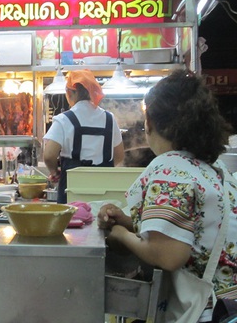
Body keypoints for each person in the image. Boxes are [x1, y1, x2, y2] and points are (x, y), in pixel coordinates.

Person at [97, 69, 237, 322]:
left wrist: (122, 235)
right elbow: (195, 229)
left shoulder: (169, 170)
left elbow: (168, 255)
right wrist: (129, 221)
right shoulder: (212, 169)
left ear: (150, 122)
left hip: (209, 310)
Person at [43, 69, 124, 203]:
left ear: (69, 93)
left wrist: (55, 172)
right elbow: (119, 155)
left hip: (72, 193)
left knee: (72, 223)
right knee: (100, 222)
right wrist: (100, 171)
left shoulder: (63, 120)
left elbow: (49, 155)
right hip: (103, 193)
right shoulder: (109, 119)